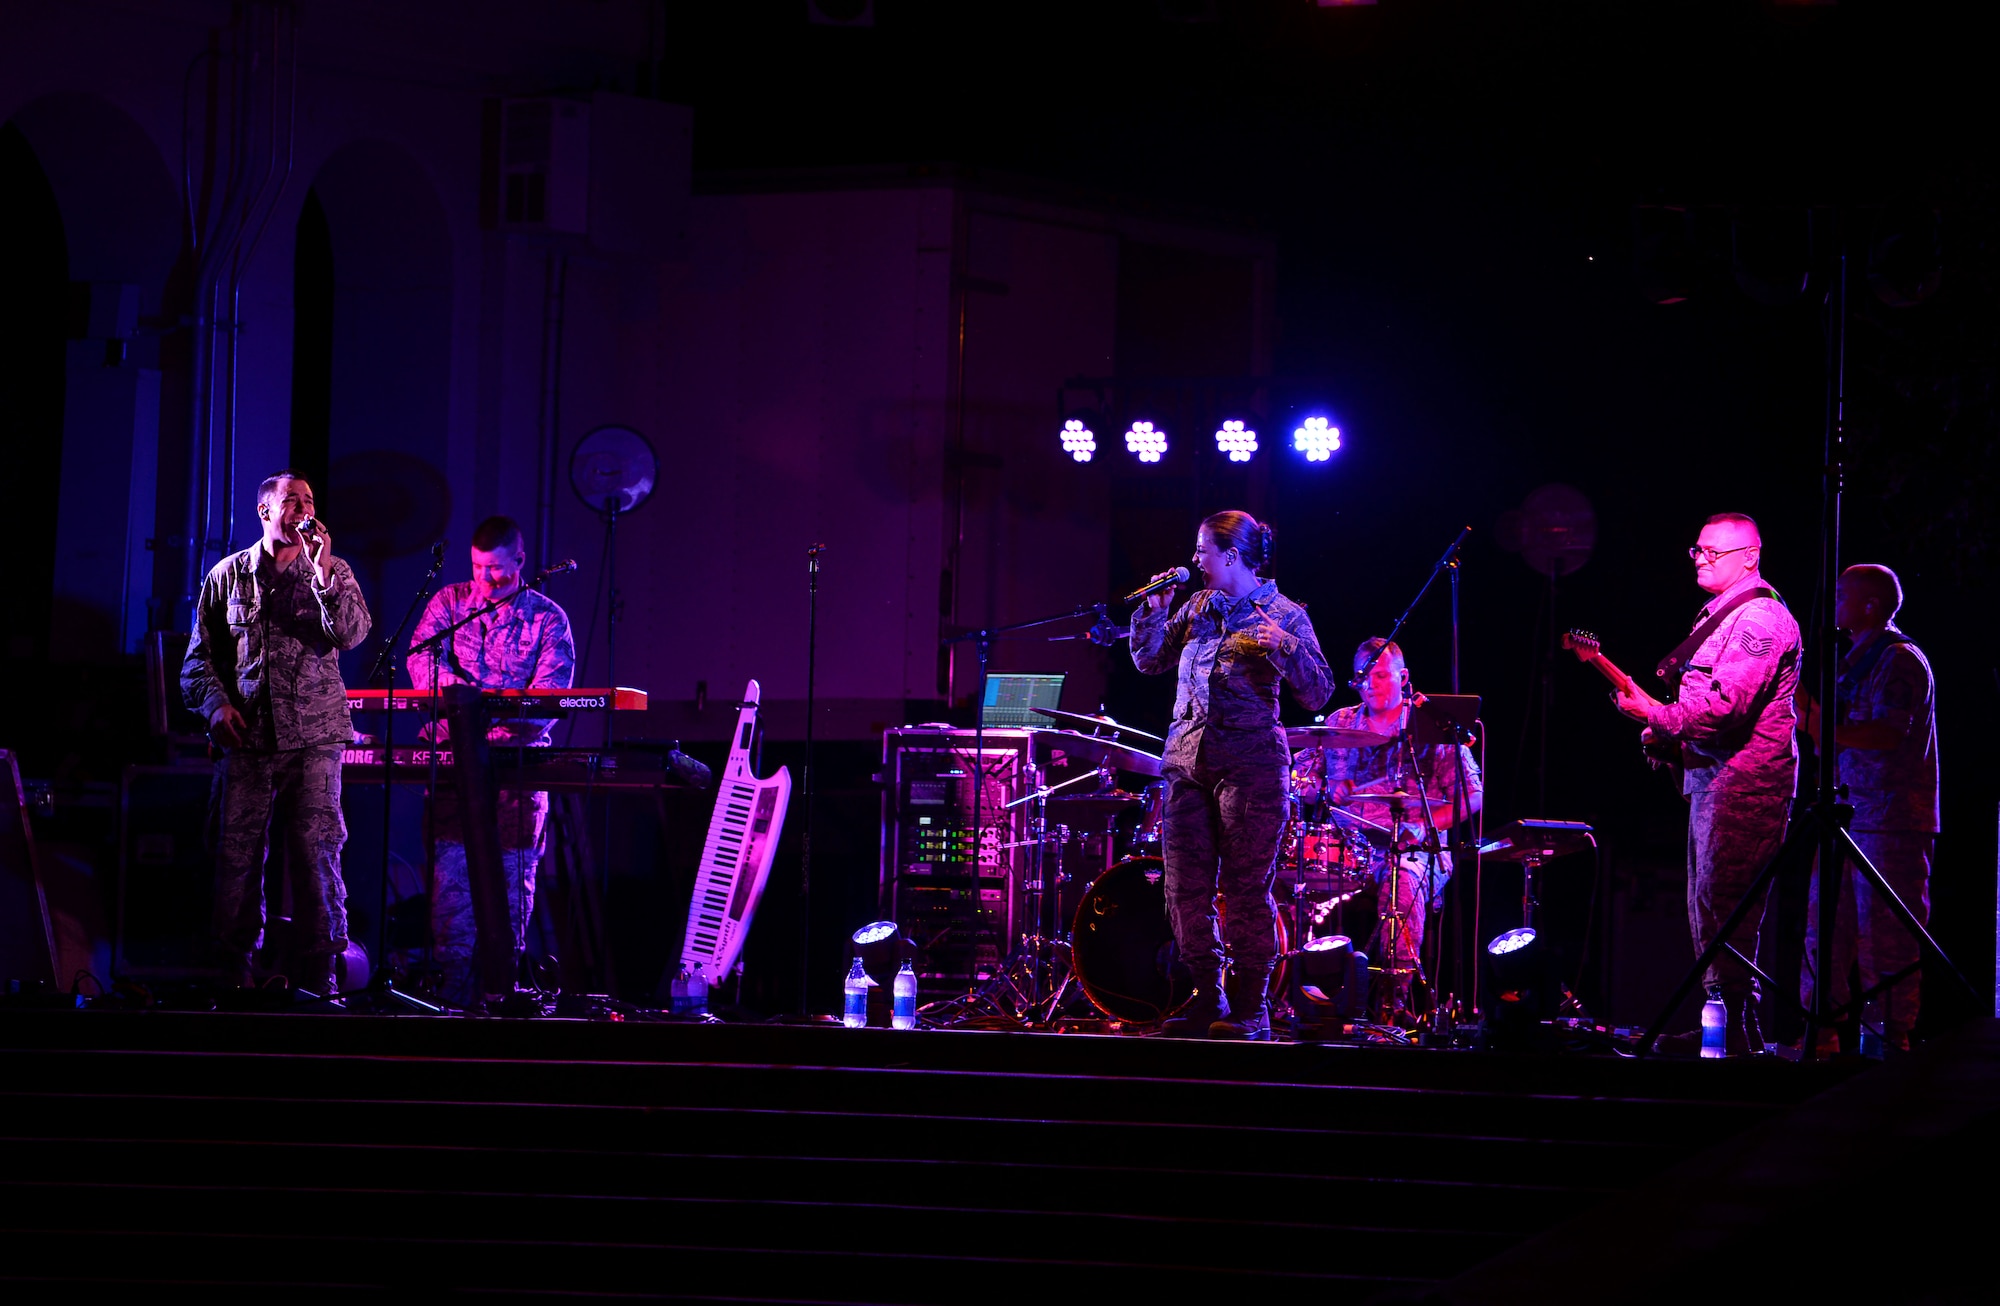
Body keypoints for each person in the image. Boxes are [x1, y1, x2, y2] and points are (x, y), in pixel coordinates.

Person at [1131, 510, 1333, 1039]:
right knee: (1183, 888)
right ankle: (1207, 995)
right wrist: (1155, 611)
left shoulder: (1284, 614)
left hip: (1251, 768)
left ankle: (1250, 1005)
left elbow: (1319, 693)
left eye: (1202, 552)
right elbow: (1150, 661)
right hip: (1186, 763)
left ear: (1231, 556)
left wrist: (1283, 647)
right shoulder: (1198, 606)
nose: (1195, 561)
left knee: (1245, 889)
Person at [1613, 512, 1800, 1056]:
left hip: (1746, 787)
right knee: (1708, 906)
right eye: (1696, 549)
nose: (1699, 558)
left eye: (1711, 552)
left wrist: (1656, 714)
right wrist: (1668, 736)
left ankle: (1739, 1032)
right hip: (1716, 781)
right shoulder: (1723, 615)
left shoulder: (1759, 619)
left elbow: (1724, 709)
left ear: (1749, 557)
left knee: (1727, 907)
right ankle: (1724, 1027)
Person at [182, 470, 372, 991]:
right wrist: (217, 706)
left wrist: (324, 572)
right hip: (250, 739)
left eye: (309, 500)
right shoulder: (227, 575)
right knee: (236, 853)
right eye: (291, 500)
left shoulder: (333, 572)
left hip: (315, 738)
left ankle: (323, 970)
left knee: (317, 851)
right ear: (265, 511)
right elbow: (197, 662)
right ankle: (234, 970)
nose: (303, 509)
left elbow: (353, 634)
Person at [406, 516, 575, 1008]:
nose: (489, 579)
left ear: (520, 561)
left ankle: (501, 1000)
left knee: (510, 892)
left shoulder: (547, 617)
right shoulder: (449, 605)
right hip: (454, 772)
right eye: (480, 568)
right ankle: (455, 1004)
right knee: (450, 893)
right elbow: (420, 663)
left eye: (499, 569)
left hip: (515, 777)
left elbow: (550, 698)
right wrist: (458, 701)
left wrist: (480, 720)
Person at [1797, 564, 1937, 1051]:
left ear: (1871, 606)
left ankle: (1888, 1040)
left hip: (1889, 820)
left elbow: (1887, 731)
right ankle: (1824, 1033)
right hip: (1845, 815)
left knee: (1885, 936)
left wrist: (1822, 727)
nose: (1835, 605)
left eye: (1842, 596)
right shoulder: (1854, 659)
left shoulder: (1900, 660)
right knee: (1826, 930)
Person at [1306, 637, 1482, 1022]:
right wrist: (1319, 789)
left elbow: (1472, 796)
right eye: (1363, 678)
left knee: (1401, 890)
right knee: (1285, 879)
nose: (1370, 685)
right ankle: (1291, 995)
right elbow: (1301, 780)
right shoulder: (1340, 723)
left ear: (1403, 677)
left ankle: (1392, 1006)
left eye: (1380, 676)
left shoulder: (1431, 725)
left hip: (1411, 849)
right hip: (1345, 849)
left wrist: (1421, 826)